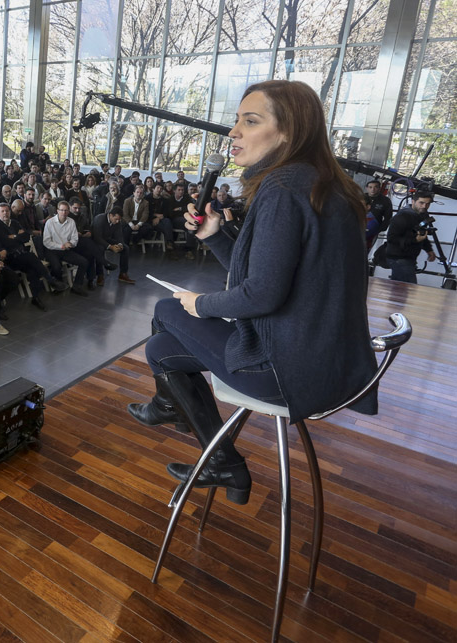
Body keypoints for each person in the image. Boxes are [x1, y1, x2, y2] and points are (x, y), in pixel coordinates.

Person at [128, 80, 378, 506]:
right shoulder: (322, 184)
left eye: (250, 121)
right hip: (328, 363)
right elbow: (265, 275)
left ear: (289, 132)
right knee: (161, 350)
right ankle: (203, 442)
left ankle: (186, 421)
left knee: (167, 310)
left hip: (287, 369)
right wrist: (214, 235)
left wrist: (199, 303)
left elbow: (261, 294)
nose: (233, 132)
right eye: (236, 121)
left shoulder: (281, 189)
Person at [42, 200, 94, 296]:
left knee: (84, 262)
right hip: (52, 250)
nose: (64, 213)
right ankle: (59, 285)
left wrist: (71, 243)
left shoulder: (71, 222)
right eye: (61, 210)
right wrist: (61, 246)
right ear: (57, 210)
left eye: (66, 210)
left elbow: (75, 238)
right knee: (56, 267)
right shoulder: (50, 222)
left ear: (69, 211)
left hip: (66, 250)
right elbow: (46, 242)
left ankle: (76, 286)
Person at [385, 192, 436, 284]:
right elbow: (391, 238)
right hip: (399, 257)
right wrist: (415, 240)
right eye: (421, 203)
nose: (424, 206)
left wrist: (429, 250)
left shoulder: (420, 215)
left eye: (427, 204)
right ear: (413, 201)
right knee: (407, 288)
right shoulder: (402, 217)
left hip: (408, 257)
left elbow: (421, 234)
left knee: (400, 289)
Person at [91, 208, 136, 285]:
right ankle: (100, 275)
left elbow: (119, 236)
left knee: (126, 249)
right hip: (95, 240)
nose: (117, 222)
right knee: (100, 249)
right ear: (111, 215)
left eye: (119, 220)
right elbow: (97, 237)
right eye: (116, 219)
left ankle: (123, 274)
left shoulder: (117, 221)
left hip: (107, 239)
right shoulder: (100, 219)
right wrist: (111, 247)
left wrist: (120, 245)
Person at [363, 180, 392, 250]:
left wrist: (380, 229)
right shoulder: (361, 197)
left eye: (375, 187)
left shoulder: (385, 201)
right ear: (367, 188)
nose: (373, 189)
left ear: (379, 188)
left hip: (373, 230)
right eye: (370, 187)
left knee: (366, 249)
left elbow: (388, 217)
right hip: (358, 228)